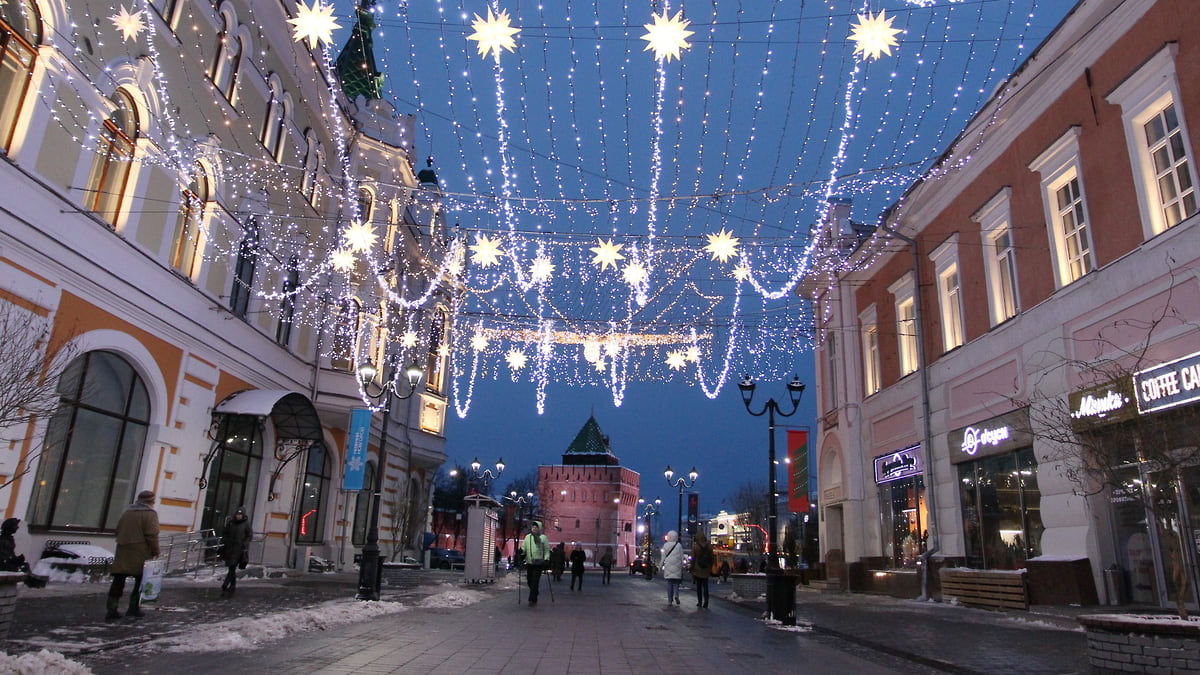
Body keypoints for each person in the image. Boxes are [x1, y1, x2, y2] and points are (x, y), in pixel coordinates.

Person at [107, 490, 160, 620]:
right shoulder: (150, 514)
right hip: (140, 552)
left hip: (123, 550)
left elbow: (118, 530)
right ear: (150, 501)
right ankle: (133, 607)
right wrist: (156, 550)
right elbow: (152, 535)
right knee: (140, 581)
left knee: (118, 579)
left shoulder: (127, 512)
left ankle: (112, 609)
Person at [219, 507, 252, 598]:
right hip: (229, 548)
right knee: (231, 567)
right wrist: (223, 543)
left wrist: (244, 543)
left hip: (238, 549)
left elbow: (249, 535)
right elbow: (225, 533)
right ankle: (233, 585)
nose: (238, 516)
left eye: (240, 515)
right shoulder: (231, 523)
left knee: (232, 566)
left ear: (243, 515)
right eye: (237, 514)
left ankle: (225, 584)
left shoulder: (246, 524)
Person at [521, 521, 550, 606]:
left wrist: (546, 559)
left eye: (536, 527)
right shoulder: (528, 537)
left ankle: (532, 598)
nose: (534, 528)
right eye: (533, 527)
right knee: (529, 581)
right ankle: (535, 591)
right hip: (529, 562)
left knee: (535, 581)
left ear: (539, 528)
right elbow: (524, 547)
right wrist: (521, 552)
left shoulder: (543, 538)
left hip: (539, 563)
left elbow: (546, 549)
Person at [661, 530, 684, 606]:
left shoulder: (665, 545)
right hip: (677, 567)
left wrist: (660, 565)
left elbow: (663, 557)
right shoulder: (679, 545)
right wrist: (682, 566)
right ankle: (676, 595)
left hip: (668, 567)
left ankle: (670, 601)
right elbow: (681, 557)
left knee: (669, 584)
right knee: (676, 584)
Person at [692, 533, 713, 608]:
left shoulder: (695, 547)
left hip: (698, 569)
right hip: (706, 569)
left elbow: (693, 559)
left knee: (699, 587)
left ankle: (700, 602)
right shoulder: (709, 546)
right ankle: (706, 602)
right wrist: (710, 568)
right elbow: (711, 558)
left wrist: (692, 568)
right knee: (705, 587)